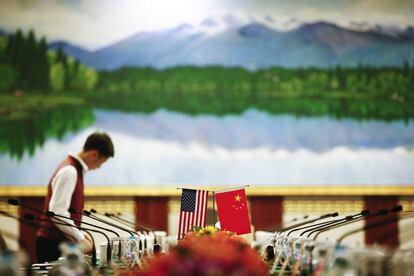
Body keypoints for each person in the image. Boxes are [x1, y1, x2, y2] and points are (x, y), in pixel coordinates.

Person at [35, 132, 114, 263]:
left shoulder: (74, 169)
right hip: (52, 244)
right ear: (93, 154)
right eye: (102, 162)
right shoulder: (70, 171)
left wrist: (81, 233)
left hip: (57, 243)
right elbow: (57, 212)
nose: (99, 167)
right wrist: (79, 237)